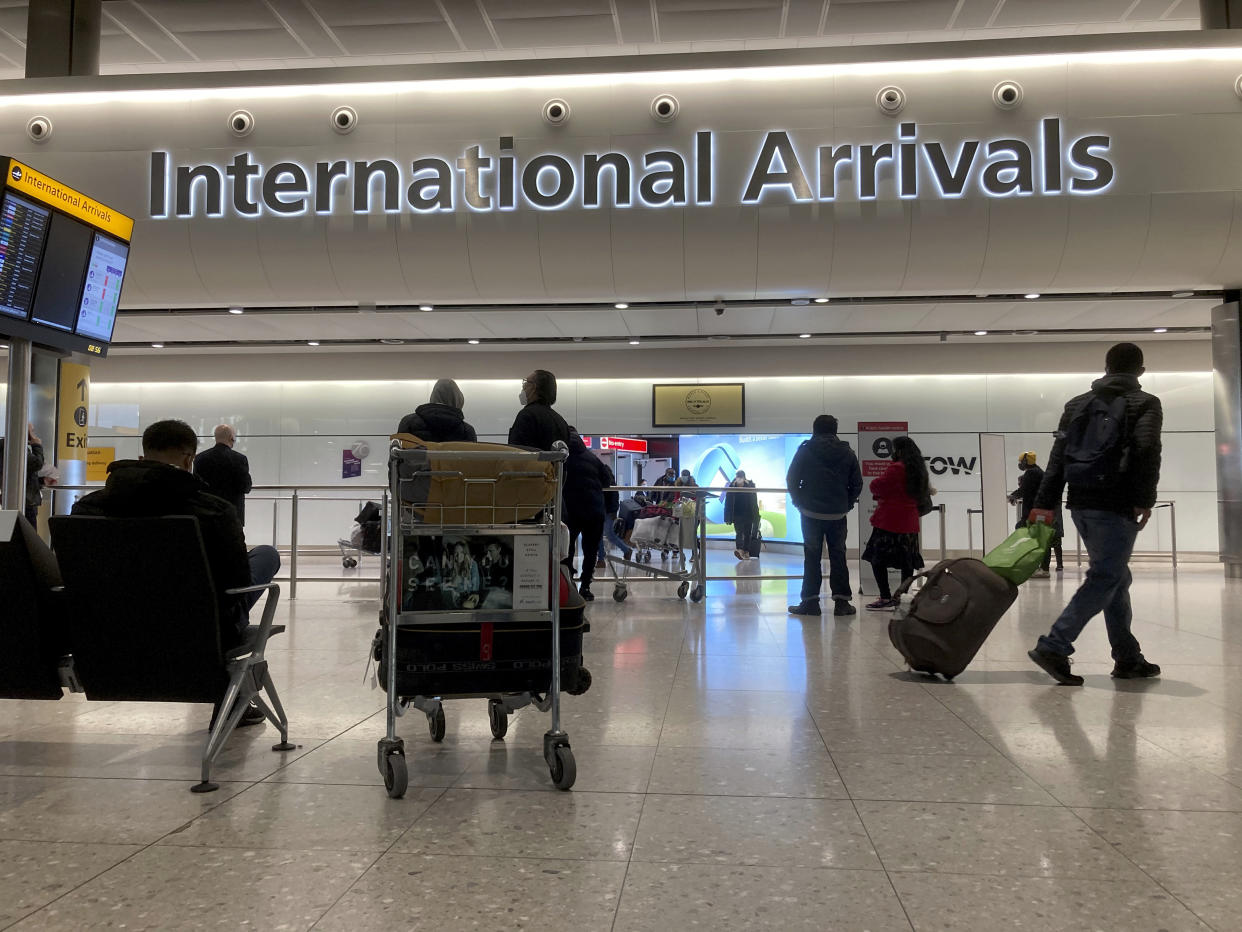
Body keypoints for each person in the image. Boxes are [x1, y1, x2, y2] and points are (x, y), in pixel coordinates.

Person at [72, 419, 280, 727]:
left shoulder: (87, 509)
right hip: (200, 629)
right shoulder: (214, 511)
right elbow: (237, 581)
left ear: (142, 458)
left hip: (111, 626)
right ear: (188, 459)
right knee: (266, 555)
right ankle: (230, 698)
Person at [1027, 342, 1163, 686]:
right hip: (1115, 504)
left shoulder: (1076, 404)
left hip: (1080, 503)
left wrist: (1043, 503)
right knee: (1106, 576)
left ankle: (1128, 658)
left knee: (1116, 576)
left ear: (1105, 367)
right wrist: (1143, 498)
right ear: (1141, 372)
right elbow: (1147, 450)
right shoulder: (1145, 403)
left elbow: (1057, 456)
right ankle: (1054, 646)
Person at [786, 415, 863, 617]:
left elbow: (792, 479)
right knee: (838, 555)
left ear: (815, 429)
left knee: (812, 557)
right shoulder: (847, 452)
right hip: (837, 514)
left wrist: (798, 502)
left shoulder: (805, 450)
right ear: (835, 430)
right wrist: (846, 504)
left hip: (810, 513)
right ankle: (842, 603)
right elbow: (857, 483)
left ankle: (810, 603)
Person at [861, 435, 928, 612]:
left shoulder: (897, 468)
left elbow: (876, 486)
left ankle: (885, 597)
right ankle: (902, 597)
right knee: (907, 562)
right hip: (909, 522)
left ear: (898, 450)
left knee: (878, 559)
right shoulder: (919, 469)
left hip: (890, 521)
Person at [561, 429, 608, 600]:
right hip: (594, 510)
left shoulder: (562, 459)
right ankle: (586, 587)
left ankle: (568, 584)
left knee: (567, 549)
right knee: (590, 551)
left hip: (571, 512)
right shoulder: (592, 458)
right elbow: (607, 480)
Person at [1008, 451, 1063, 577]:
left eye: (1021, 461)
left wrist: (1014, 496)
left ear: (1026, 462)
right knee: (1041, 540)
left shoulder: (1031, 474)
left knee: (1038, 540)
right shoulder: (1037, 472)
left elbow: (1024, 490)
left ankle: (1042, 569)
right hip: (1041, 512)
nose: (1020, 464)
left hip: (1035, 513)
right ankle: (1042, 568)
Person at [193, 424, 254, 525]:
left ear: (216, 437)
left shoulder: (200, 458)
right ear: (232, 438)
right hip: (232, 514)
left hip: (207, 513)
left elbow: (197, 486)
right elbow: (245, 487)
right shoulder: (239, 459)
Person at [397, 378, 477, 442]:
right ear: (458, 400)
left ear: (433, 397)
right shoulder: (467, 430)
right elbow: (472, 461)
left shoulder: (408, 422)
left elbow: (396, 458)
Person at [508, 369, 570, 451]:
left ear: (534, 387)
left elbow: (517, 453)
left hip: (532, 464)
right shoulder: (560, 420)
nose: (523, 387)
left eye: (526, 382)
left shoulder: (527, 415)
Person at [0, 424, 46, 527]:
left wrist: (41, 481)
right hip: (25, 503)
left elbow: (21, 475)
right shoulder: (17, 448)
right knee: (29, 539)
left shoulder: (5, 446)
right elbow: (37, 463)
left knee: (10, 536)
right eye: (32, 431)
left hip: (10, 500)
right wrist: (37, 445)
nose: (34, 435)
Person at [724, 469, 760, 561]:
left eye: (741, 478)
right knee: (739, 532)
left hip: (749, 513)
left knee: (747, 533)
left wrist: (756, 515)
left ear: (744, 478)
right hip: (736, 513)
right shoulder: (732, 486)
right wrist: (727, 517)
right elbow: (727, 502)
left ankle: (746, 551)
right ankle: (739, 550)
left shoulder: (750, 486)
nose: (739, 479)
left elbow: (754, 501)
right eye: (737, 477)